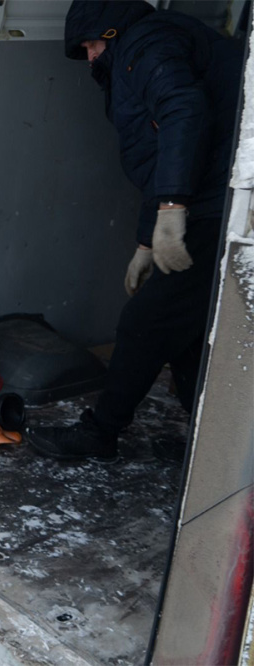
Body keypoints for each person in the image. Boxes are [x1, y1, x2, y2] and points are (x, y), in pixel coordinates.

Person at [28, 0, 243, 462]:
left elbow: (185, 113)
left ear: (109, 31)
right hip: (211, 200)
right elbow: (160, 152)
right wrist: (148, 240)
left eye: (89, 45)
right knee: (184, 331)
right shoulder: (143, 49)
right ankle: (212, 450)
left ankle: (101, 432)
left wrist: (173, 206)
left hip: (222, 204)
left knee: (146, 324)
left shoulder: (148, 43)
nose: (88, 57)